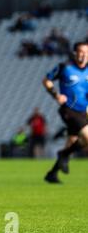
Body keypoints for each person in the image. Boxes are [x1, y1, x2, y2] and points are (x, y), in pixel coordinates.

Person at [43, 41, 88, 183]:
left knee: (72, 142)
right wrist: (56, 95)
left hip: (83, 111)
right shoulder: (65, 67)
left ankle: (52, 173)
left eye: (86, 52)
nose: (83, 55)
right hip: (69, 109)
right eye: (80, 51)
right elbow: (46, 80)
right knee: (87, 137)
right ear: (75, 53)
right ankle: (63, 154)